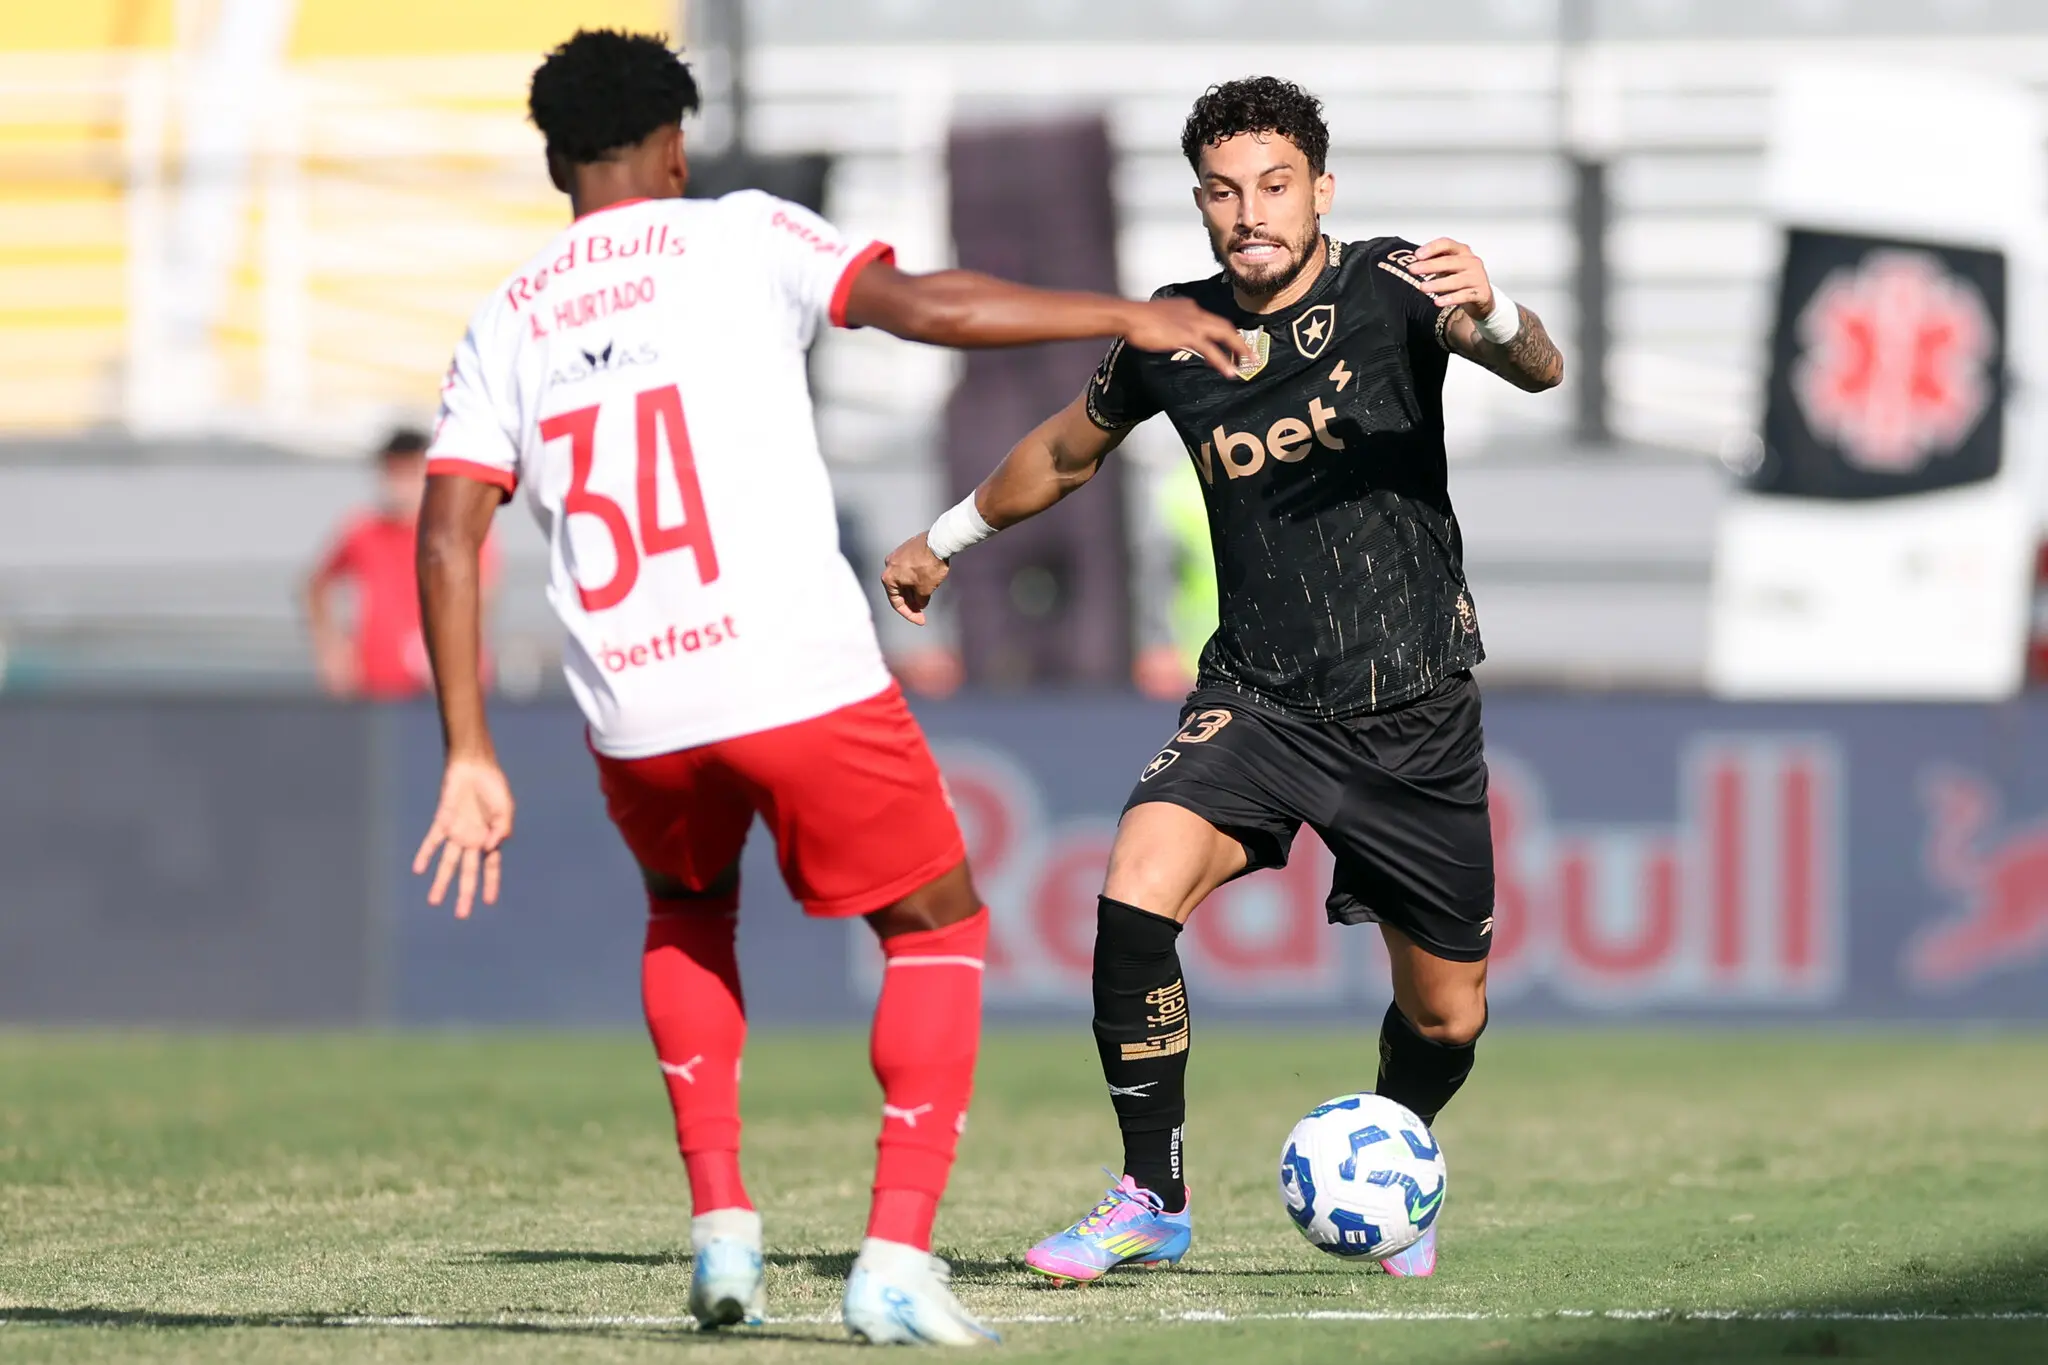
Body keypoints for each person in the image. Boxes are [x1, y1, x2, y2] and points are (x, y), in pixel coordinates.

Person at [408, 30, 1249, 1347]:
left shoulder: (507, 315)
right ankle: (895, 1259)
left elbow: (447, 535)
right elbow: (931, 308)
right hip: (791, 673)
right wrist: (1125, 314)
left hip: (632, 701)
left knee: (687, 908)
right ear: (674, 147)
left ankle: (722, 1229)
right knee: (936, 925)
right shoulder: (741, 233)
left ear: (556, 161)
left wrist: (468, 748)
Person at [882, 77, 1564, 1283]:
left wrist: (1498, 309)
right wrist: (945, 538)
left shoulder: (1394, 286)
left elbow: (1537, 368)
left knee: (1446, 1015)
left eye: (1273, 185)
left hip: (1411, 710)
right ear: (1199, 203)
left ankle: (1393, 1159)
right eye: (1222, 191)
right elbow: (1064, 451)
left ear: (1319, 191)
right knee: (1131, 891)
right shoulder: (1175, 331)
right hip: (1257, 699)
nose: (1249, 212)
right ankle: (1150, 1194)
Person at [305, 429, 495, 699]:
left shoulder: (457, 529)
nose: (401, 485)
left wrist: (446, 646)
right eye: (395, 473)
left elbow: (480, 594)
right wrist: (332, 651)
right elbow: (316, 586)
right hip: (378, 684)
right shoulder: (362, 531)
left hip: (449, 686)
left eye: (410, 473)